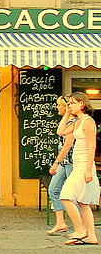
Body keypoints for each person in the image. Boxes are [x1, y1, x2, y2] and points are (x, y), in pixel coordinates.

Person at [59, 92, 100, 245]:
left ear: (82, 104)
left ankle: (80, 230)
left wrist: (89, 169)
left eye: (73, 103)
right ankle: (91, 236)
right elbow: (61, 131)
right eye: (69, 103)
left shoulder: (88, 122)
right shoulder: (77, 122)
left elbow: (92, 146)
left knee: (65, 195)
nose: (70, 105)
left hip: (84, 166)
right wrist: (68, 113)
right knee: (83, 202)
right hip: (78, 166)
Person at [46, 96, 75, 235]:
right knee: (53, 189)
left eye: (59, 105)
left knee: (73, 194)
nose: (57, 107)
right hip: (64, 162)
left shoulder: (74, 122)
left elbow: (67, 145)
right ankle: (60, 222)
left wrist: (56, 163)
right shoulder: (66, 121)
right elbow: (59, 131)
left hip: (70, 161)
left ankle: (79, 225)